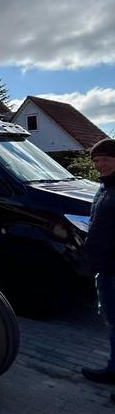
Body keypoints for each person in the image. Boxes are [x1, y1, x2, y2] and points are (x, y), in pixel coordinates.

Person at [81, 138, 115, 387]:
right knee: (113, 322)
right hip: (104, 267)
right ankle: (113, 369)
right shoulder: (103, 187)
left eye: (106, 159)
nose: (100, 164)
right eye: (97, 160)